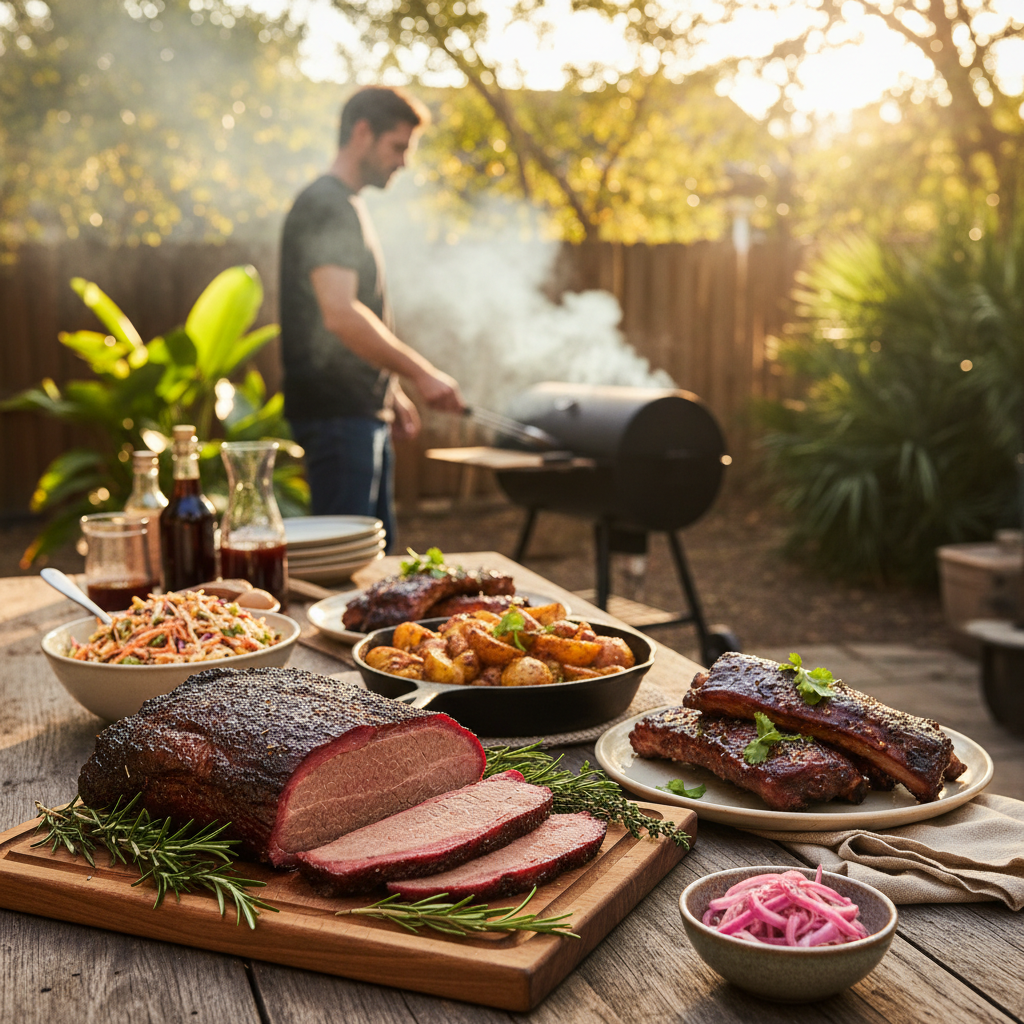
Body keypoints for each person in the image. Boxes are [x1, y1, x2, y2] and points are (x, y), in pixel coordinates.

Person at [279, 86, 464, 550]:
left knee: (375, 561)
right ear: (362, 133)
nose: (403, 162)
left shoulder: (346, 205)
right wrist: (422, 374)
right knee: (348, 570)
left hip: (359, 413)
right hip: (337, 417)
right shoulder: (327, 205)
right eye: (397, 146)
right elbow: (341, 314)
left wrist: (391, 391)